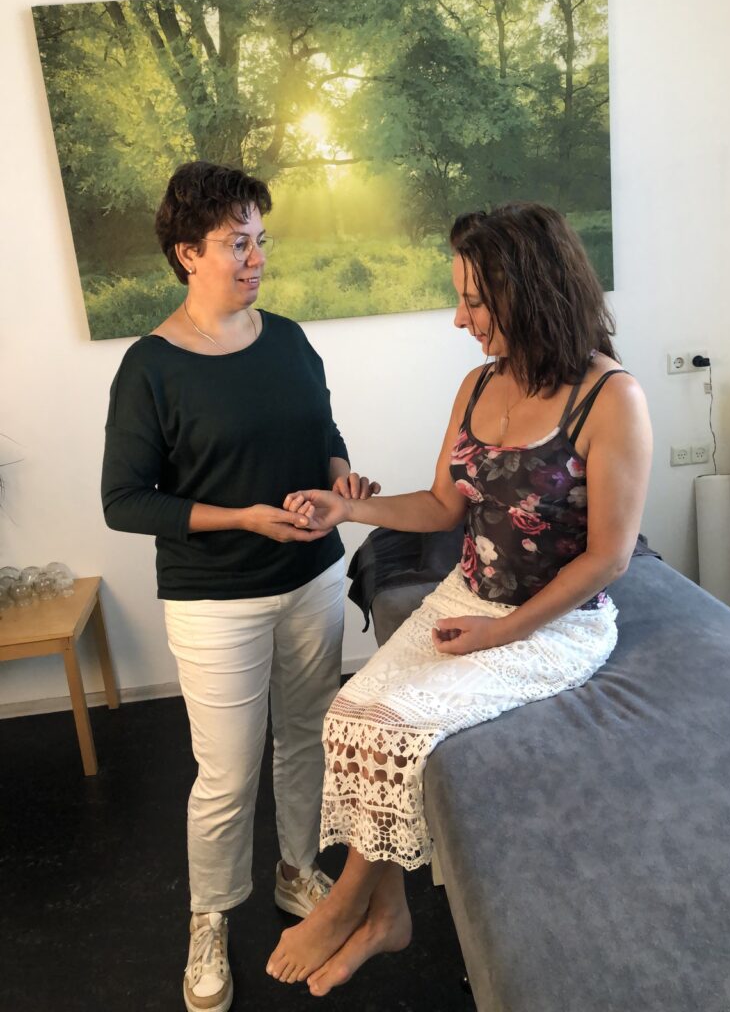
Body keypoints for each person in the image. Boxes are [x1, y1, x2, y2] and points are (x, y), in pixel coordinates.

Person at [265, 201, 653, 996]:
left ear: (530, 290)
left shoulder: (611, 398)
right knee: (349, 715)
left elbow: (610, 558)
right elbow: (445, 507)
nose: (459, 319)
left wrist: (502, 631)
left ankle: (345, 906)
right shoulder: (477, 385)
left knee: (397, 726)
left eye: (475, 300)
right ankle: (390, 915)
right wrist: (349, 510)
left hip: (557, 625)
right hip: (463, 596)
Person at [101, 160, 379, 1012]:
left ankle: (297, 871)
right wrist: (243, 519)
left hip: (311, 577)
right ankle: (210, 916)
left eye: (261, 240)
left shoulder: (289, 339)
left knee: (306, 739)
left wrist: (341, 478)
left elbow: (324, 431)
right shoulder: (150, 368)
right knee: (224, 774)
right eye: (236, 243)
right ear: (188, 253)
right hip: (213, 599)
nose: (256, 258)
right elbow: (125, 501)